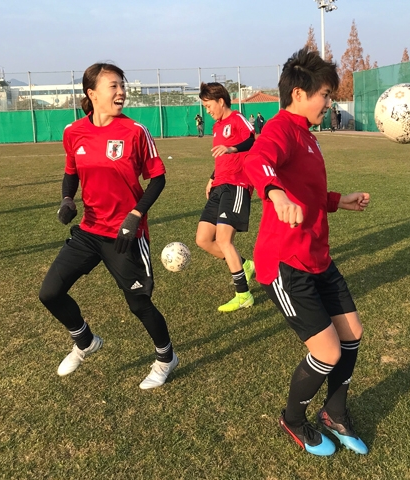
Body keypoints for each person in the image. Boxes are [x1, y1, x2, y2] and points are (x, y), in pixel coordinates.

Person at [243, 47, 370, 456]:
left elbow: (311, 192)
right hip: (285, 263)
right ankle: (292, 419)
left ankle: (334, 413)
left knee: (352, 335)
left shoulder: (307, 137)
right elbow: (257, 161)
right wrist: (275, 193)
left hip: (319, 258)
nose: (328, 103)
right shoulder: (279, 129)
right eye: (326, 95)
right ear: (299, 94)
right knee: (327, 350)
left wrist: (339, 200)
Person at [38, 62, 178, 390]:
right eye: (113, 86)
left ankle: (166, 358)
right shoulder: (74, 132)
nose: (121, 92)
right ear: (92, 94)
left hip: (125, 234)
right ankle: (85, 341)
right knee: (50, 292)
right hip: (89, 229)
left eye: (122, 86)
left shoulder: (135, 131)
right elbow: (71, 170)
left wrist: (135, 216)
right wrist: (67, 199)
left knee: (139, 304)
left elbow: (157, 178)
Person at [196, 82, 256, 312]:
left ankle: (243, 295)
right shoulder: (216, 127)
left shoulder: (237, 119)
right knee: (203, 239)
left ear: (221, 101)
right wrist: (212, 177)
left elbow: (252, 140)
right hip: (219, 185)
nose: (207, 110)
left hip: (237, 184)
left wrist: (232, 149)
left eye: (209, 105)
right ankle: (245, 266)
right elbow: (220, 158)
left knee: (223, 239)